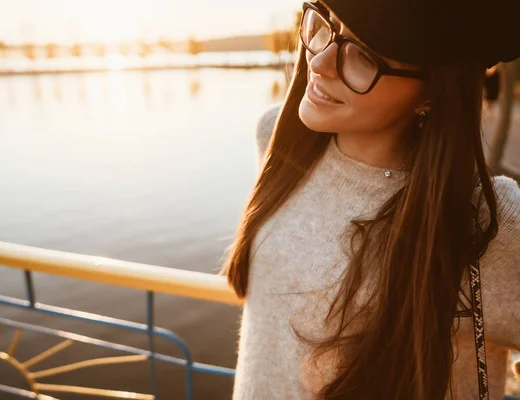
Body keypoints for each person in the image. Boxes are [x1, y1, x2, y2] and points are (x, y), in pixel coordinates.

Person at [221, 0, 520, 399]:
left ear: (431, 92)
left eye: (363, 56)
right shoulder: (276, 137)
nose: (322, 60)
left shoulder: (486, 221)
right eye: (329, 24)